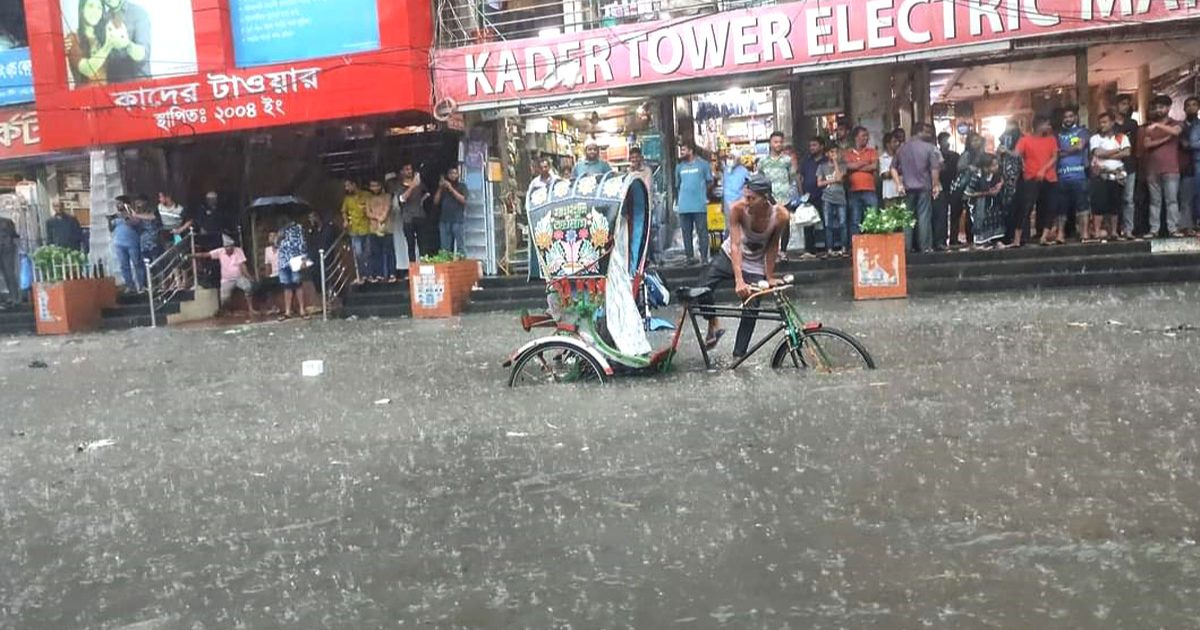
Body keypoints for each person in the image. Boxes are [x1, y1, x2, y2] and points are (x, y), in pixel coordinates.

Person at [694, 173, 788, 358]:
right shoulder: (737, 208)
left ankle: (738, 355)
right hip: (729, 255)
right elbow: (736, 245)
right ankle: (713, 323)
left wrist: (768, 276)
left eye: (751, 198)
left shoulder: (781, 216)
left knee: (751, 307)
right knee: (700, 289)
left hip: (755, 264)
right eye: (745, 196)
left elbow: (773, 245)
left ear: (765, 198)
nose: (746, 201)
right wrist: (739, 280)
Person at [891, 123, 943, 252]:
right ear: (918, 132)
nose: (929, 134)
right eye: (926, 132)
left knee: (907, 218)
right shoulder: (929, 148)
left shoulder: (902, 149)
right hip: (924, 186)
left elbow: (892, 168)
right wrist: (935, 185)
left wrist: (898, 184)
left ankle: (907, 247)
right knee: (924, 216)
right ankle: (925, 246)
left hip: (907, 188)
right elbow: (934, 168)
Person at [1141, 95, 1184, 238]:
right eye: (1156, 107)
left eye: (1161, 107)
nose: (1158, 110)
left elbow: (1176, 132)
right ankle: (1154, 230)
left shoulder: (1176, 122)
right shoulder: (1149, 127)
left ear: (1168, 108)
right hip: (1152, 170)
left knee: (1171, 200)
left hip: (1171, 168)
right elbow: (1147, 144)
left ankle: (1173, 229)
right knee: (1154, 201)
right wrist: (1165, 139)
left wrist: (1158, 126)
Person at [1013, 116, 1058, 247]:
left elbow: (1054, 157)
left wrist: (1043, 169)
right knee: (1025, 207)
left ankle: (1044, 236)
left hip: (1049, 177)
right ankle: (1017, 239)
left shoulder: (1051, 139)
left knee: (1049, 207)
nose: (1048, 127)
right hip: (1031, 176)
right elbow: (1016, 154)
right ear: (1039, 125)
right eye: (1046, 124)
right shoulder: (1025, 140)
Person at [1089, 111, 1131, 241]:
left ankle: (1114, 232)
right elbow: (1098, 152)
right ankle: (1097, 231)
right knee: (1099, 204)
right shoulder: (1095, 138)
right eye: (1100, 122)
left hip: (1117, 174)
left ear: (1112, 123)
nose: (1102, 125)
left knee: (1115, 204)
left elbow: (1127, 153)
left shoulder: (1121, 137)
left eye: (1105, 122)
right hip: (1100, 174)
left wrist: (1108, 154)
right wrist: (1117, 150)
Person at [1054, 105, 1092, 241]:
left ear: (1075, 117)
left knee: (1082, 205)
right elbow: (1054, 152)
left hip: (1079, 175)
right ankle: (1060, 234)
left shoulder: (1082, 131)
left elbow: (1080, 146)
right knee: (1061, 207)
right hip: (1061, 176)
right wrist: (1066, 151)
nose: (1068, 119)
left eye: (1071, 116)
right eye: (1065, 117)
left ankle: (1085, 233)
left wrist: (1063, 152)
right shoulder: (1057, 133)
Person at [197, 235, 258, 317]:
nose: (229, 248)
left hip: (239, 277)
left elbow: (242, 265)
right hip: (226, 280)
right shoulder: (220, 251)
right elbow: (206, 255)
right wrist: (192, 256)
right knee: (224, 298)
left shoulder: (238, 250)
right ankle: (227, 312)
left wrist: (249, 277)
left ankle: (251, 309)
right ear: (224, 247)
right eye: (227, 247)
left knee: (248, 287)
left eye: (230, 247)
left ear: (233, 246)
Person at [675, 143, 713, 265]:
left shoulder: (703, 165)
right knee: (686, 233)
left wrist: (703, 193)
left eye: (683, 150)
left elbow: (709, 181)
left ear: (691, 150)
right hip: (684, 206)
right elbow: (678, 184)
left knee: (702, 231)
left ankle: (704, 258)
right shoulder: (679, 167)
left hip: (699, 205)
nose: (681, 153)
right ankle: (689, 257)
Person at [759, 131, 796, 258]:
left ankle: (783, 251)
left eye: (780, 142)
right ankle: (770, 252)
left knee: (785, 226)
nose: (778, 144)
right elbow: (760, 179)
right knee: (769, 226)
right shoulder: (763, 161)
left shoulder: (787, 160)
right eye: (775, 142)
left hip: (785, 198)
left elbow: (792, 177)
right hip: (769, 199)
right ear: (770, 143)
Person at [97, 0, 150, 82]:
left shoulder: (138, 13)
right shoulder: (101, 19)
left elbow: (143, 54)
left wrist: (127, 44)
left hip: (139, 87)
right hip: (113, 87)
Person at [963, 154, 1006, 248]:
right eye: (993, 165)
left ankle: (995, 240)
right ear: (986, 166)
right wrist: (986, 193)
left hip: (994, 203)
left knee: (996, 219)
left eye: (996, 165)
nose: (996, 167)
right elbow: (968, 192)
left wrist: (999, 186)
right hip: (980, 203)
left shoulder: (997, 175)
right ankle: (981, 241)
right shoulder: (977, 176)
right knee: (982, 220)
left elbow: (1001, 182)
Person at [65, 0, 112, 85]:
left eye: (99, 8)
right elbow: (88, 70)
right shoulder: (73, 38)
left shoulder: (104, 37)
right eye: (91, 6)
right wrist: (109, 45)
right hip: (84, 96)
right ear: (82, 9)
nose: (95, 12)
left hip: (107, 95)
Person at [1113, 95, 1141, 239]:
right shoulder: (1111, 125)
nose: (1126, 106)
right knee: (1113, 198)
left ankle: (1128, 229)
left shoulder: (1133, 124)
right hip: (1113, 166)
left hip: (1129, 165)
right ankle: (1114, 229)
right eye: (1123, 103)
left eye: (1127, 104)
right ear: (1116, 106)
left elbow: (1136, 145)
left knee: (1128, 199)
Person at [845, 127, 878, 241]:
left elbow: (874, 166)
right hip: (854, 190)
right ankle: (856, 246)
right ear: (856, 137)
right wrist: (864, 163)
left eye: (867, 135)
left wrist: (856, 165)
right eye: (863, 135)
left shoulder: (872, 151)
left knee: (872, 218)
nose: (866, 138)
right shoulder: (848, 153)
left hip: (870, 190)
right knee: (855, 220)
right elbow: (848, 166)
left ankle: (873, 243)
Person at [817, 145, 848, 257]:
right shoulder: (822, 166)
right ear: (827, 153)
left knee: (843, 223)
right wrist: (832, 180)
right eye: (831, 152)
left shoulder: (843, 165)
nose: (834, 154)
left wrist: (835, 163)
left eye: (836, 152)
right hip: (827, 197)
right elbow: (819, 183)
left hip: (840, 197)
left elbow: (840, 178)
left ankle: (844, 248)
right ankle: (829, 249)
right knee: (828, 224)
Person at [275, 215, 308, 320]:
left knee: (297, 283)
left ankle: (302, 310)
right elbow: (276, 245)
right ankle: (288, 311)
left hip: (295, 258)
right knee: (286, 285)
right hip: (283, 260)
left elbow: (302, 244)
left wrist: (304, 259)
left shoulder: (297, 228)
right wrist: (278, 237)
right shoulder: (280, 230)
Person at [800, 136, 828, 256]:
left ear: (821, 146)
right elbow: (801, 178)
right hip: (809, 196)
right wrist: (802, 194)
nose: (812, 148)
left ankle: (827, 248)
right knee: (808, 222)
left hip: (825, 195)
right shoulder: (806, 161)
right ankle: (809, 249)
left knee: (826, 222)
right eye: (810, 145)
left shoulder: (826, 161)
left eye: (815, 145)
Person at [111, 196, 145, 293]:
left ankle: (141, 285)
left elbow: (136, 224)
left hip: (132, 242)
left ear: (126, 204)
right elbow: (111, 229)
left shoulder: (133, 214)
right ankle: (130, 286)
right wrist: (109, 220)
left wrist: (127, 216)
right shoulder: (116, 216)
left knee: (137, 263)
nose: (117, 205)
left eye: (120, 203)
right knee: (124, 266)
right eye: (117, 203)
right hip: (119, 243)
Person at [340, 179, 370, 282]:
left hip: (368, 228)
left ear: (354, 184)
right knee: (358, 253)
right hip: (354, 229)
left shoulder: (366, 195)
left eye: (348, 185)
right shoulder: (347, 199)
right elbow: (344, 211)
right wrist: (345, 220)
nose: (346, 188)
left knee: (368, 252)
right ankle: (361, 275)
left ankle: (370, 275)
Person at [395, 163, 425, 263]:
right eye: (406, 169)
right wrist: (412, 186)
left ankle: (424, 267)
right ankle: (413, 269)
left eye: (410, 169)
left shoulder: (419, 184)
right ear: (402, 172)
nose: (409, 171)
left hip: (420, 216)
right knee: (410, 245)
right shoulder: (399, 186)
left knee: (423, 244)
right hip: (408, 219)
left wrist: (422, 200)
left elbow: (427, 193)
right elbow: (402, 199)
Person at [365, 178, 393, 282]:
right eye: (372, 186)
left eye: (376, 185)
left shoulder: (387, 197)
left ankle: (391, 274)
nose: (374, 188)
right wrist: (377, 217)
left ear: (381, 186)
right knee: (376, 253)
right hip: (373, 229)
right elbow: (367, 212)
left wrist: (382, 217)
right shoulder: (368, 199)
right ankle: (378, 275)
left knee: (389, 252)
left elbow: (387, 208)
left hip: (387, 228)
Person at [435, 166, 468, 254]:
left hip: (457, 221)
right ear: (447, 175)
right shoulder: (443, 188)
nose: (453, 175)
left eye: (455, 173)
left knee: (461, 247)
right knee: (445, 248)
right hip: (444, 220)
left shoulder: (462, 186)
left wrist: (451, 189)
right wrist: (440, 188)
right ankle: (447, 266)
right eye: (451, 173)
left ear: (458, 175)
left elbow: (464, 200)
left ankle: (462, 265)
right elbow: (435, 201)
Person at [721, 148, 750, 236]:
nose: (729, 160)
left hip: (739, 202)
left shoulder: (744, 171)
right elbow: (724, 186)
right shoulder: (726, 170)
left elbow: (748, 186)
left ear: (738, 159)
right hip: (727, 203)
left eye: (732, 157)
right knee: (729, 227)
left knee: (740, 227)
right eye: (729, 157)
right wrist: (722, 204)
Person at [1181, 96, 1199, 234]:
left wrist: (1191, 145)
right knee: (1186, 198)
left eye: (1194, 105)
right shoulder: (1179, 126)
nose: (1191, 107)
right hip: (1185, 165)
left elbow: (1189, 145)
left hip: (1198, 163)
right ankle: (1188, 226)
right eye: (1188, 105)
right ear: (1184, 108)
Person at [0, 212, 18, 310]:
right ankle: (13, 297)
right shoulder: (7, 221)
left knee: (9, 273)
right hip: (7, 249)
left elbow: (14, 235)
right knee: (8, 274)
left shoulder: (6, 221)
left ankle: (14, 298)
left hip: (7, 250)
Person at [879, 132, 902, 206]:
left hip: (901, 193)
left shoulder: (901, 157)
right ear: (888, 144)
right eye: (894, 142)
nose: (897, 143)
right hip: (889, 194)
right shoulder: (883, 158)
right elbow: (885, 175)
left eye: (898, 141)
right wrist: (898, 170)